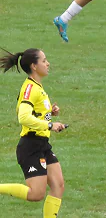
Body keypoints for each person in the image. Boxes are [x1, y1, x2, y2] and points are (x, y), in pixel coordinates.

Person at [0, 48, 67, 217]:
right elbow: (23, 117)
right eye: (44, 61)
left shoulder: (38, 87)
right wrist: (50, 125)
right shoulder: (30, 89)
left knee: (58, 185)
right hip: (31, 146)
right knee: (36, 194)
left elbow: (35, 114)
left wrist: (50, 113)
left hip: (42, 144)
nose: (48, 63)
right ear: (34, 66)